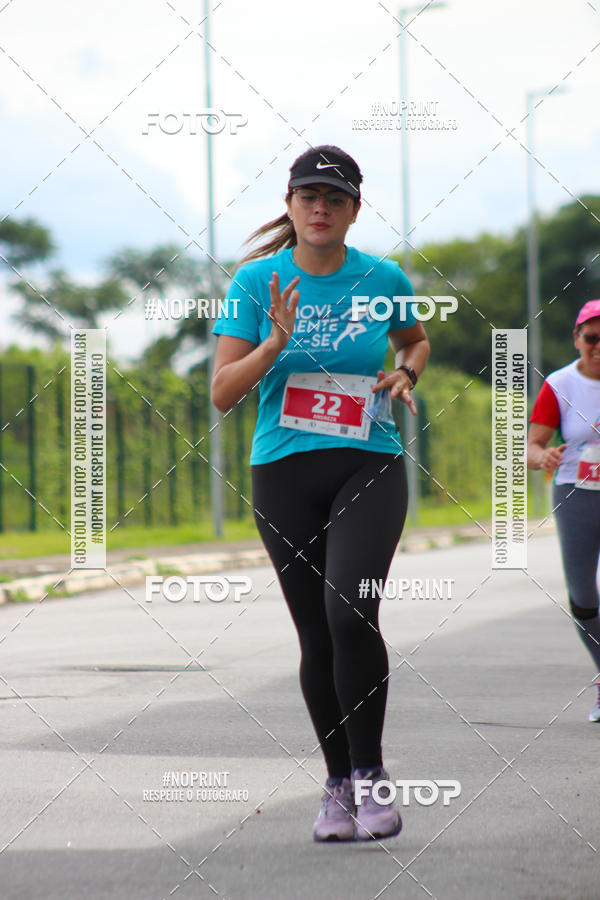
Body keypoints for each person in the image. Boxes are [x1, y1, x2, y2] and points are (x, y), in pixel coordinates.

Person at [210, 145, 430, 841]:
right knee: (315, 633)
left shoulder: (383, 276)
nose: (319, 208)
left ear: (353, 211)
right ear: (290, 205)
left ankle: (370, 775)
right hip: (283, 470)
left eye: (334, 198)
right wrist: (273, 344)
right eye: (308, 195)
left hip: (368, 461)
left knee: (348, 612)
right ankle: (336, 783)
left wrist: (406, 373)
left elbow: (414, 341)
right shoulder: (255, 281)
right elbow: (221, 394)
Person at [527, 299, 600, 722]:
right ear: (577, 339)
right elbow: (532, 448)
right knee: (584, 599)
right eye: (591, 338)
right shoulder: (560, 384)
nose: (598, 346)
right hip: (575, 493)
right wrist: (544, 458)